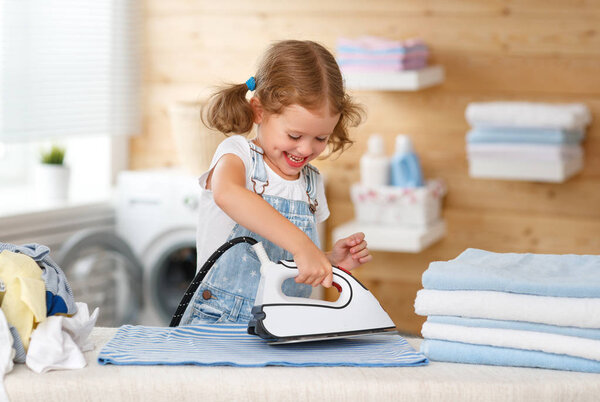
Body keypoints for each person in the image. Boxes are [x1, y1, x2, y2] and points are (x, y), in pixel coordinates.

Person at [178, 40, 372, 326]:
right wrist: (302, 245)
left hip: (283, 324)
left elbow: (287, 263)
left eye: (320, 138)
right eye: (294, 136)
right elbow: (228, 194)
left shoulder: (311, 183)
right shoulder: (237, 156)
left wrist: (327, 260)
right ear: (259, 111)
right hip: (219, 320)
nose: (306, 149)